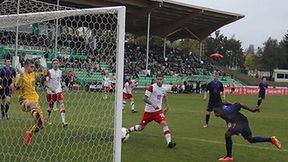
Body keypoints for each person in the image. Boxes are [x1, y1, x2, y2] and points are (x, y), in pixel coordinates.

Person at [213, 102, 281, 161]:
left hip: (240, 122)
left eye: (215, 113)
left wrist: (252, 110)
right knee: (251, 139)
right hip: (242, 121)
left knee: (227, 135)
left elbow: (239, 104)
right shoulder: (223, 110)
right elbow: (228, 111)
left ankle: (229, 156)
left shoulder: (226, 111)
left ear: (218, 112)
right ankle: (270, 139)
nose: (215, 115)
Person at [128, 73, 176, 148]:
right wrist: (152, 104)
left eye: (161, 79)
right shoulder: (151, 87)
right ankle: (128, 130)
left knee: (164, 123)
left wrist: (167, 106)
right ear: (155, 79)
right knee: (141, 128)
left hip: (158, 112)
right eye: (158, 79)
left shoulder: (164, 88)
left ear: (163, 80)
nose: (159, 81)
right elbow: (144, 98)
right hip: (149, 112)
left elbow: (165, 97)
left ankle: (169, 142)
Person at [15, 59, 46, 145]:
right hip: (24, 101)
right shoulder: (20, 75)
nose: (33, 68)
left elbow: (43, 77)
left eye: (34, 66)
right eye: (31, 66)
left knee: (41, 125)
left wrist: (44, 67)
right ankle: (36, 116)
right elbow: (17, 86)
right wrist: (21, 75)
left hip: (35, 102)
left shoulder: (33, 74)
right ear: (25, 66)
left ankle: (29, 134)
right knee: (32, 104)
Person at [44, 58, 68, 127]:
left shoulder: (60, 72)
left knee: (61, 103)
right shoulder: (49, 72)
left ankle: (63, 121)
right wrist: (50, 88)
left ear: (59, 64)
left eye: (57, 63)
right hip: (50, 92)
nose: (56, 65)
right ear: (52, 64)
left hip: (58, 90)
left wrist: (64, 86)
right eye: (54, 63)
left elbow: (60, 80)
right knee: (50, 107)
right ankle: (48, 119)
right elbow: (45, 83)